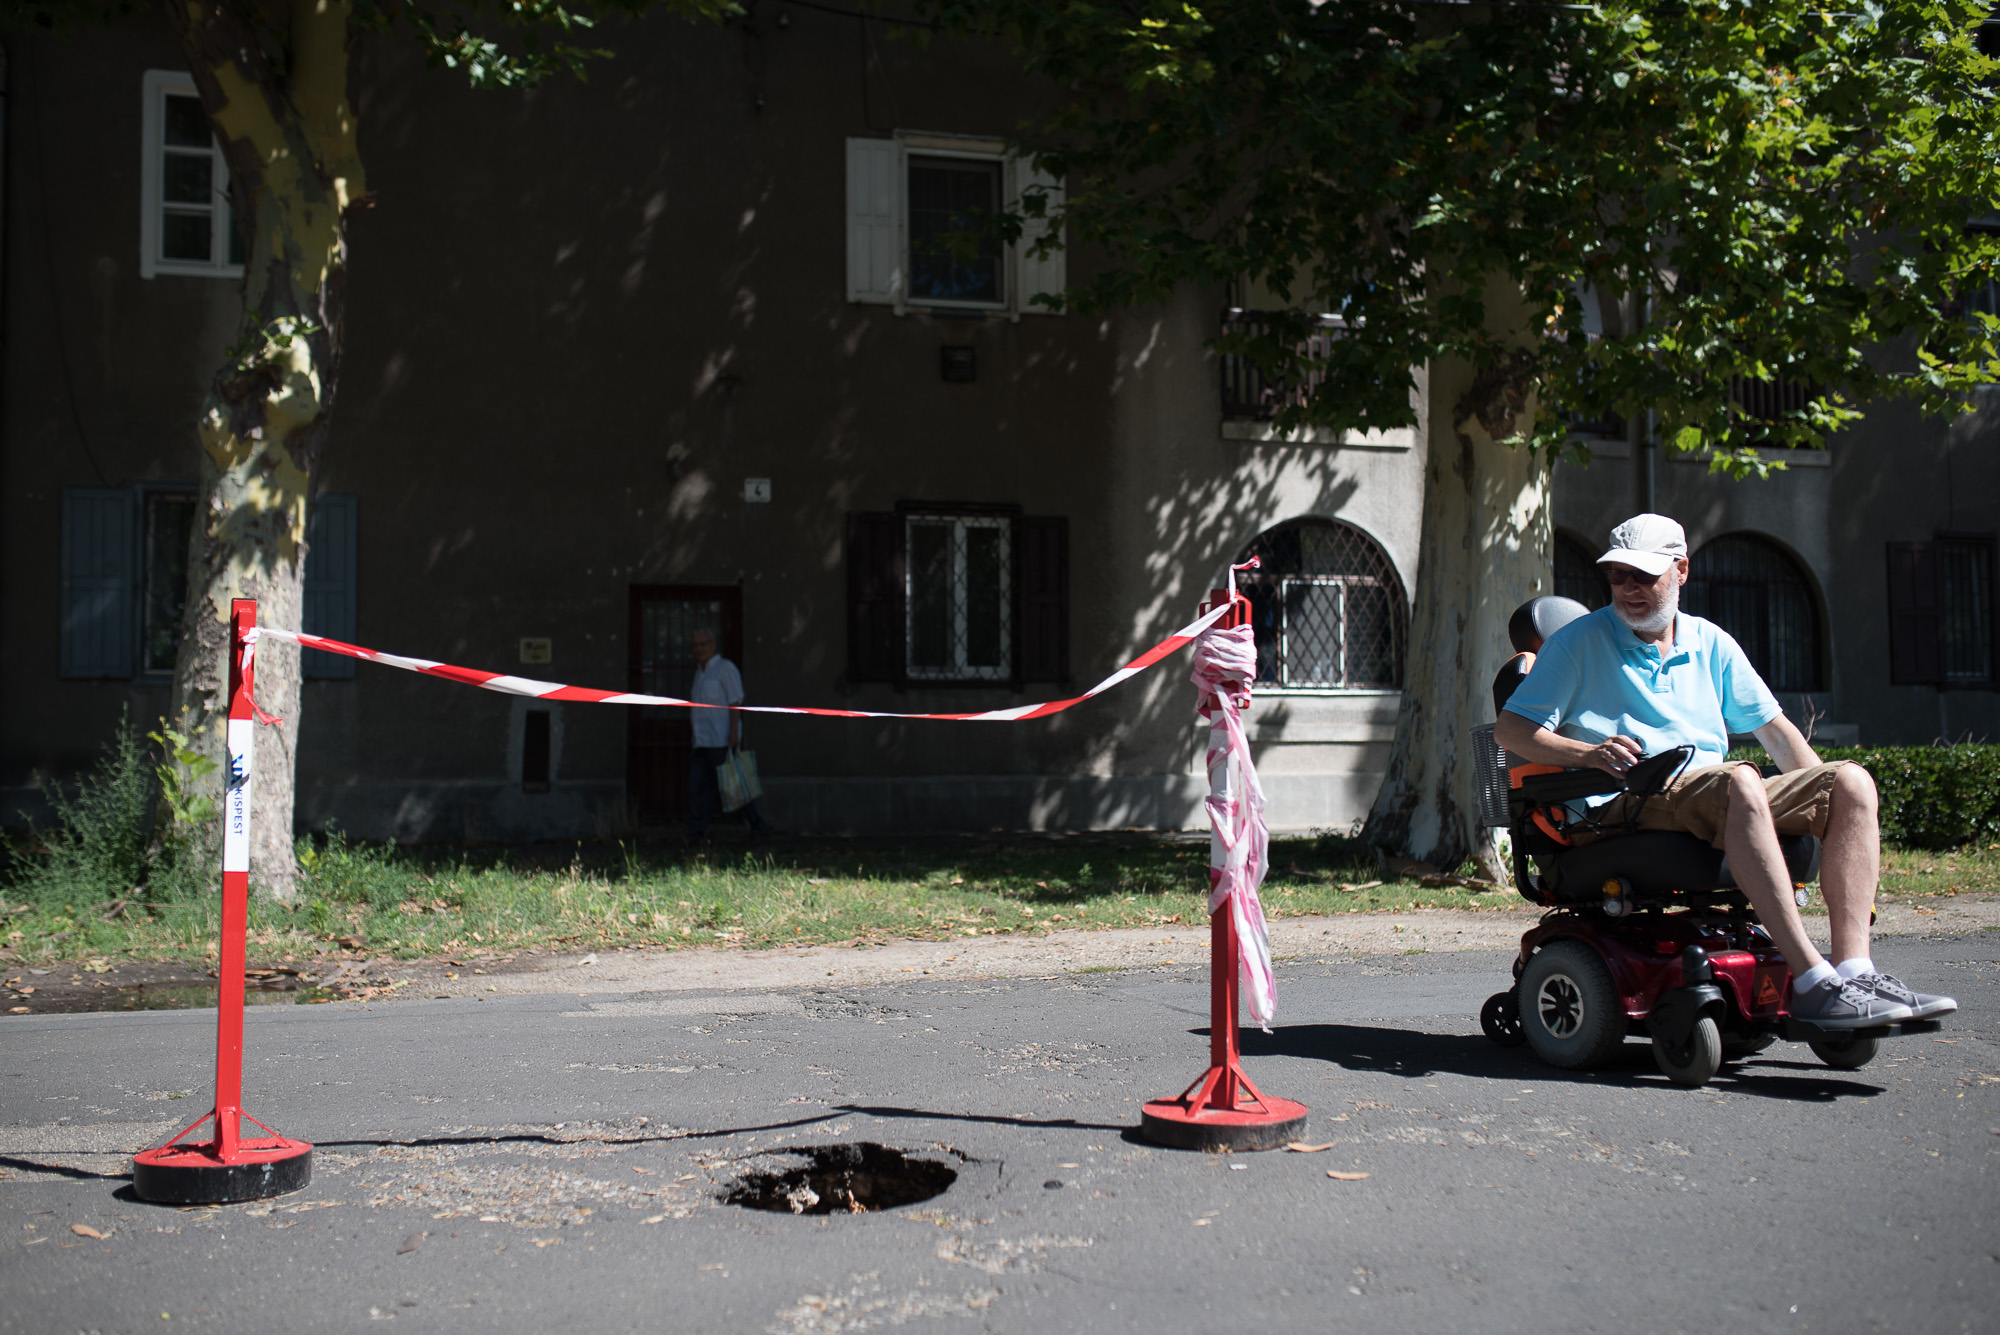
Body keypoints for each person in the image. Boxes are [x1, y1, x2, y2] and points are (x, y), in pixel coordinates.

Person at [1494, 514, 1956, 1029]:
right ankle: (1812, 983)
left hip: (1711, 794)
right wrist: (1590, 754)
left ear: (1682, 571)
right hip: (1624, 802)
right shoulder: (1575, 643)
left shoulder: (1710, 641)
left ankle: (1855, 974)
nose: (1629, 589)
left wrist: (1825, 805)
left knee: (1849, 781)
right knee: (1739, 779)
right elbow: (1511, 732)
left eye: (1644, 576)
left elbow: (1778, 735)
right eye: (1619, 576)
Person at [686, 628, 768, 841]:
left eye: (703, 644)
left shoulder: (725, 669)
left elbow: (735, 703)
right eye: (695, 645)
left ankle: (758, 826)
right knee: (698, 787)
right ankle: (696, 832)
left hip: (721, 739)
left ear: (714, 645)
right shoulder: (700, 672)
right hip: (701, 740)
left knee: (735, 786)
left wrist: (733, 733)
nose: (699, 649)